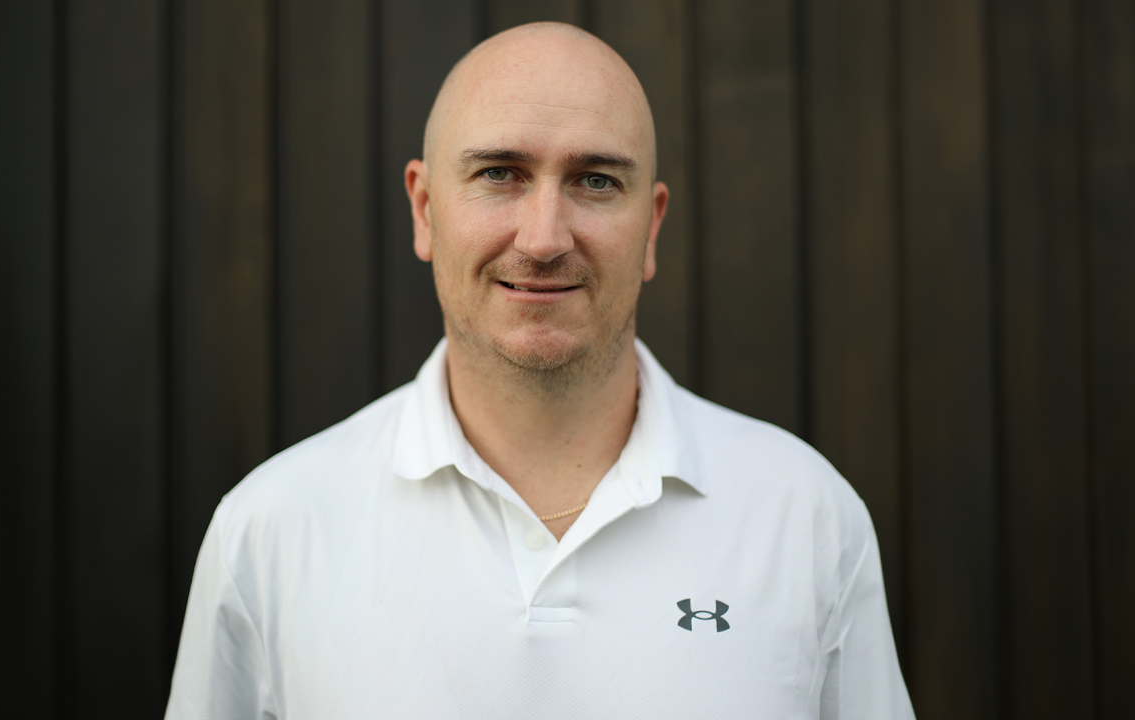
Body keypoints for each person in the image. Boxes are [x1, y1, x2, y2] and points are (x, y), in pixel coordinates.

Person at [165, 22, 914, 719]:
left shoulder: (804, 517)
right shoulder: (271, 531)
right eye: (499, 173)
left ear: (652, 227)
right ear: (424, 210)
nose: (544, 238)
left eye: (596, 181)